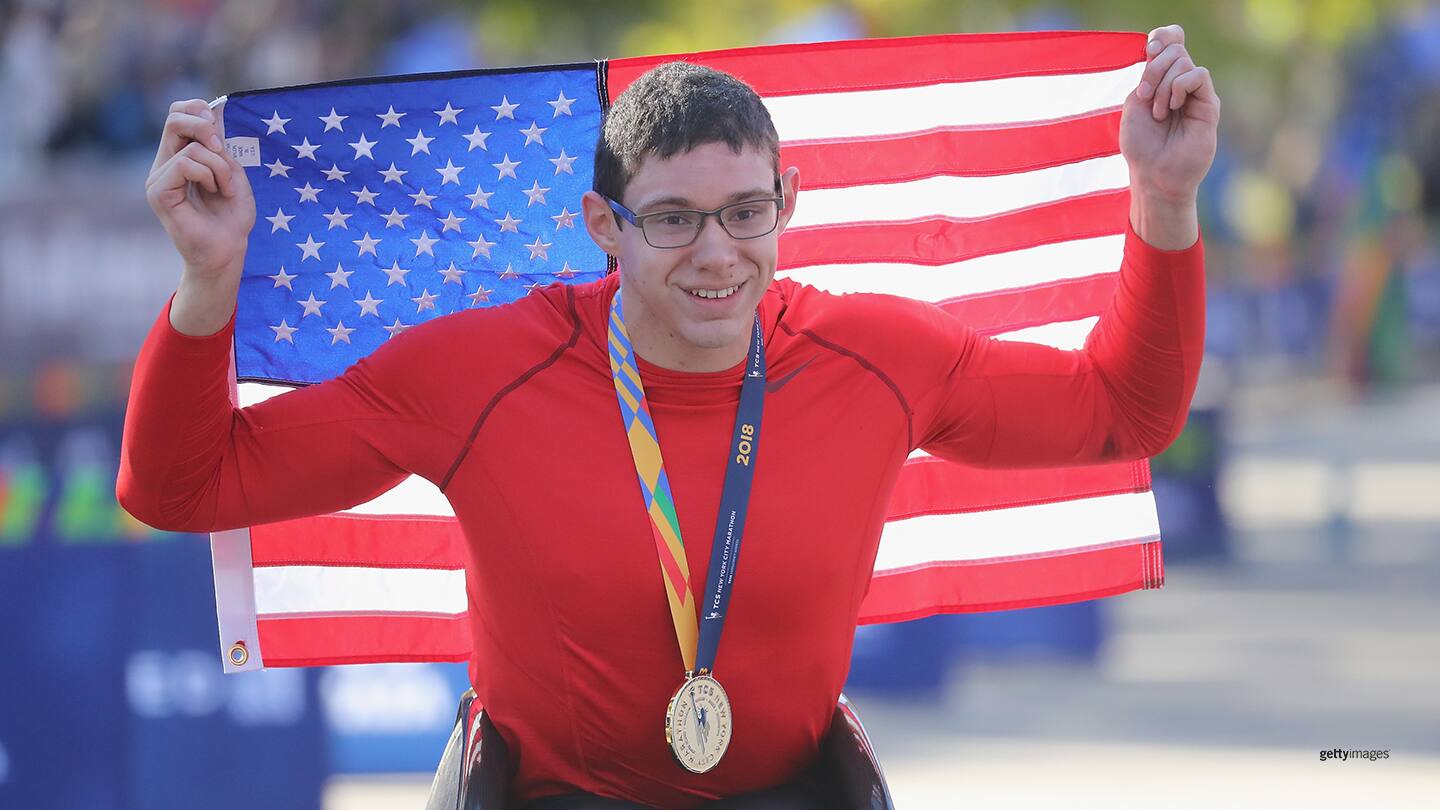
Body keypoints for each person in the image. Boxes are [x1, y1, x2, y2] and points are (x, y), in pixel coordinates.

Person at [117, 24, 1219, 810]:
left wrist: (1163, 205)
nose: (717, 252)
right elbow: (183, 488)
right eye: (673, 219)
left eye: (747, 212)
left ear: (788, 203)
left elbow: (1123, 411)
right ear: (603, 222)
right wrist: (209, 286)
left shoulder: (876, 357)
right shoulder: (479, 370)